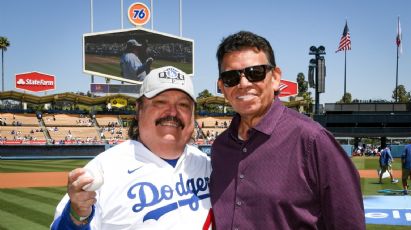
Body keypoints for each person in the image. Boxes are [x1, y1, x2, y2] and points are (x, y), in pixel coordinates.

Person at [209, 31, 365, 229]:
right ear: (222, 86)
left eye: (255, 72)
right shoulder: (220, 147)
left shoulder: (312, 140)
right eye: (231, 77)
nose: (243, 84)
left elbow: (348, 223)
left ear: (275, 78)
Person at [51, 66, 213, 229]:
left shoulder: (207, 166)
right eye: (160, 102)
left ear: (193, 115)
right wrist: (77, 216)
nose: (172, 111)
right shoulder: (105, 169)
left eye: (183, 105)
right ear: (139, 109)